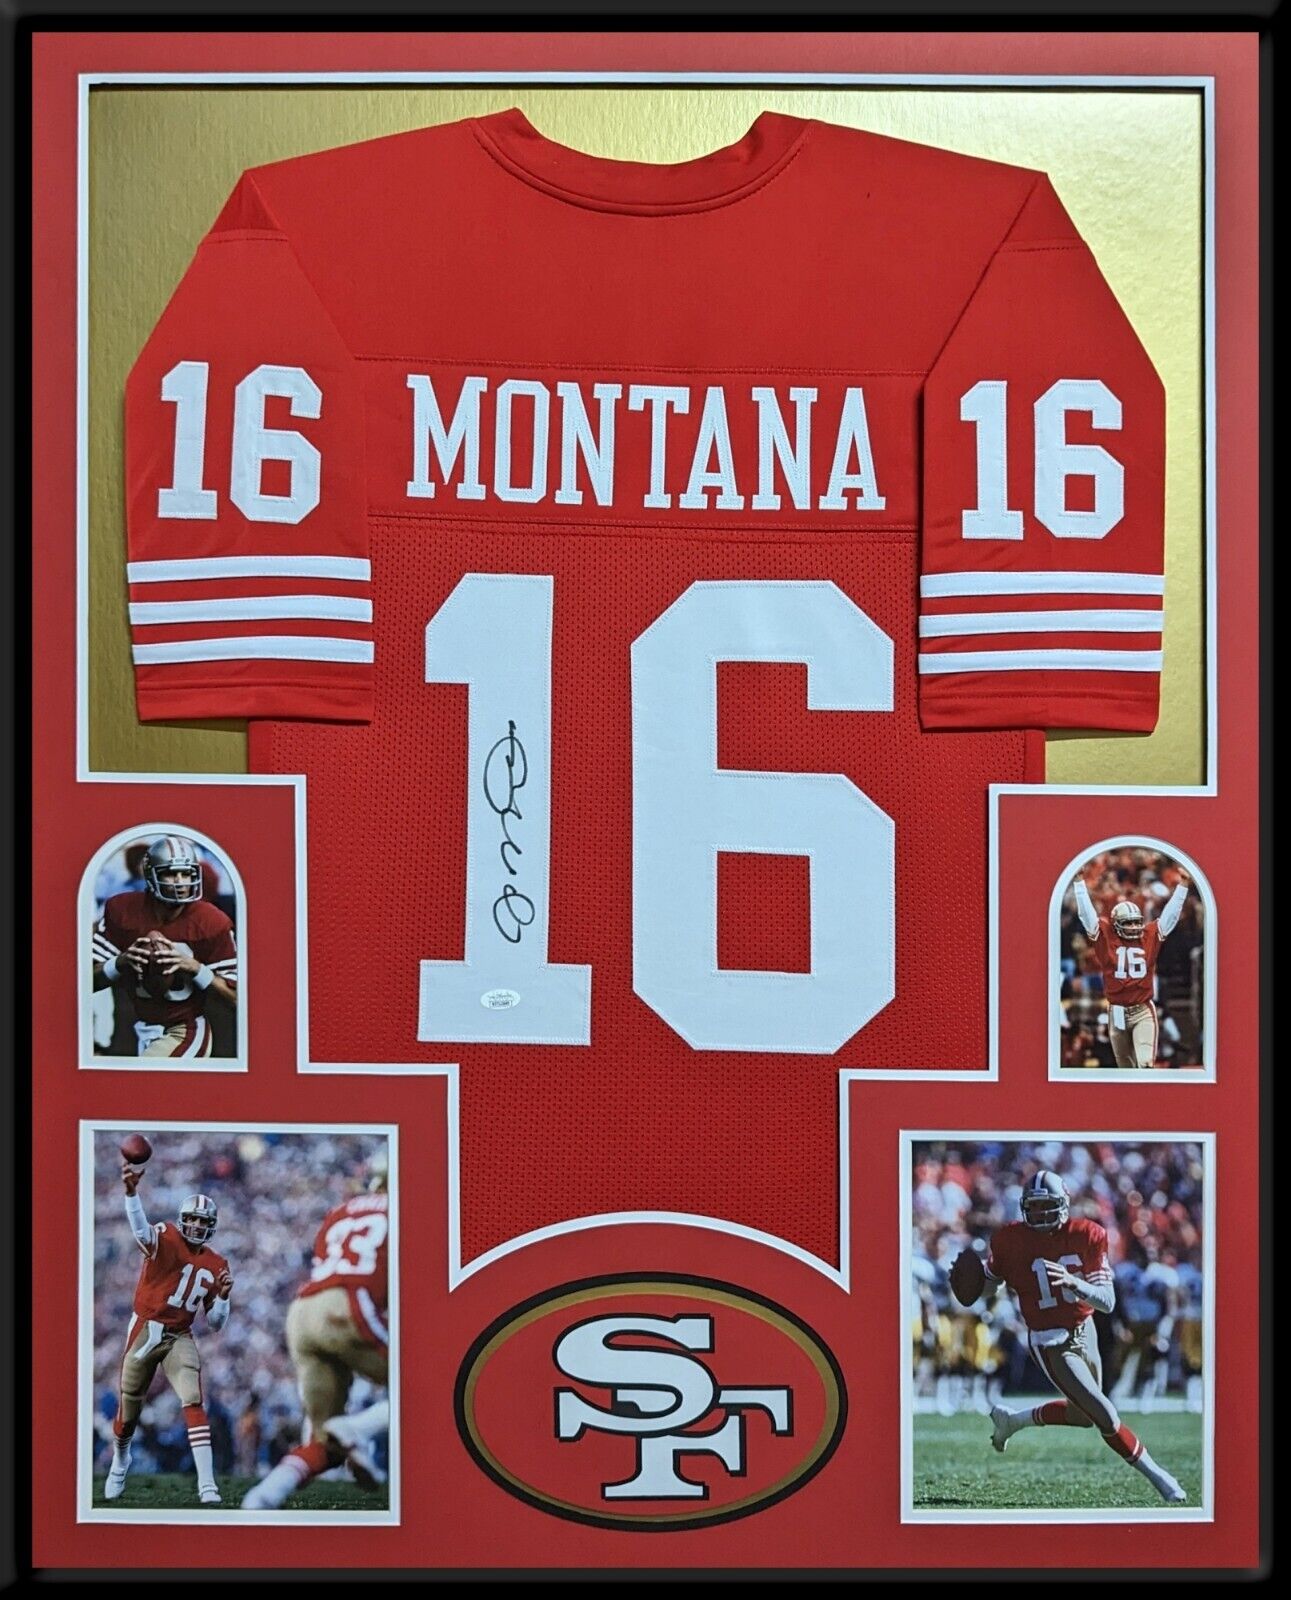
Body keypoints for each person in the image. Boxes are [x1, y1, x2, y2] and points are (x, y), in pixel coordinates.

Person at [966, 1169, 1186, 1504]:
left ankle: (1012, 1421)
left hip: (1086, 1328)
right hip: (1050, 1339)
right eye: (1033, 1206)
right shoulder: (1009, 1239)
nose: (1040, 1213)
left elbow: (1107, 1302)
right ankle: (1161, 1479)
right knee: (1106, 1415)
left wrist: (1076, 1284)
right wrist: (972, 1286)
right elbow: (989, 1286)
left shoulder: (1088, 1234)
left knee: (1082, 1416)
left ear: (1064, 1204)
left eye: (1047, 1206)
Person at [103, 1161, 233, 1505]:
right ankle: (121, 1459)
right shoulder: (166, 1236)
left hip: (179, 1335)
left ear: (212, 1226)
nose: (196, 1225)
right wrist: (131, 1193)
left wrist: (222, 1297)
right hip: (146, 1328)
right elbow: (141, 1232)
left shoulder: (217, 1264)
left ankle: (207, 1484)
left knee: (193, 1398)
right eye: (192, 1219)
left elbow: (216, 1323)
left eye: (203, 1221)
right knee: (129, 1409)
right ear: (182, 1219)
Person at [92, 835, 238, 1059]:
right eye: (170, 873)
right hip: (141, 1027)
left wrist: (196, 968)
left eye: (186, 873)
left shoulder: (212, 922)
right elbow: (85, 982)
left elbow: (236, 998)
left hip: (186, 1030)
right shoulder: (122, 910)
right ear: (151, 875)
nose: (180, 882)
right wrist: (120, 962)